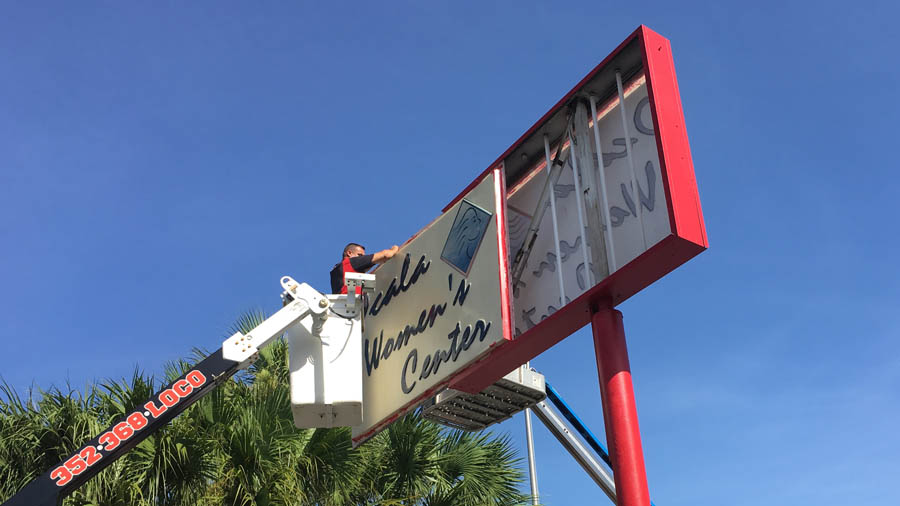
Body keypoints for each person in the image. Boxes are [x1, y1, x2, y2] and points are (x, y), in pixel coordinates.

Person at [330, 242, 399, 294]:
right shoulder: (351, 262)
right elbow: (386, 255)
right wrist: (394, 248)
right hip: (351, 305)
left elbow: (368, 266)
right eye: (360, 255)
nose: (362, 258)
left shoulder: (339, 269)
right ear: (349, 253)